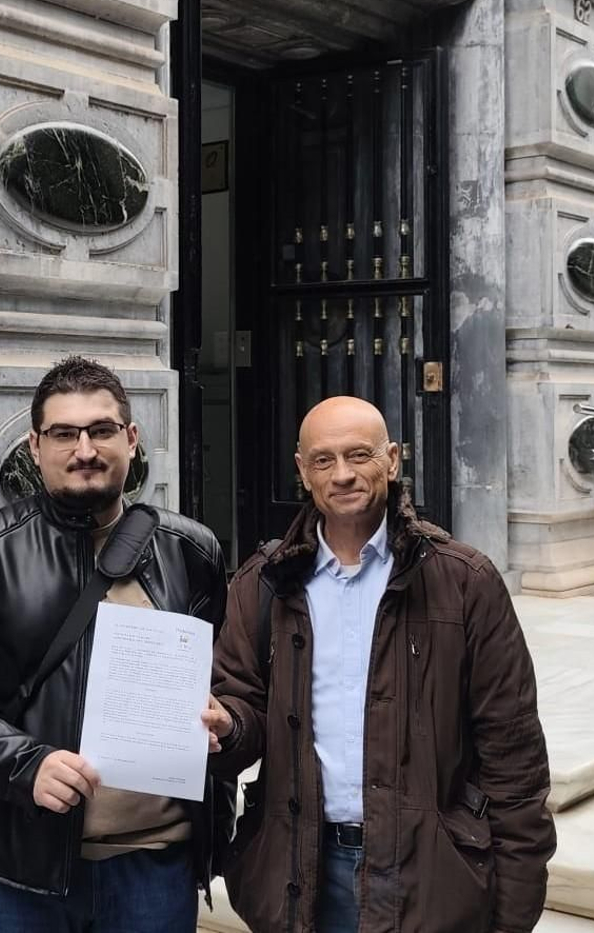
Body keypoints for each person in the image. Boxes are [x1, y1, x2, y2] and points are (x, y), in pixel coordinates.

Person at [203, 395, 555, 933]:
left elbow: (514, 760)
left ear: (391, 460)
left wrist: (514, 910)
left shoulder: (464, 582)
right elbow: (242, 711)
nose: (342, 474)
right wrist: (228, 726)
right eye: (323, 460)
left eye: (359, 455)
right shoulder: (263, 583)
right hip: (303, 872)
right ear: (302, 471)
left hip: (431, 877)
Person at [0, 355, 230, 932]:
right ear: (36, 446)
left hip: (156, 864)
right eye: (64, 433)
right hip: (21, 865)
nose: (84, 449)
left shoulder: (192, 550)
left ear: (131, 440)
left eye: (102, 430)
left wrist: (223, 722)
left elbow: (227, 684)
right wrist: (26, 764)